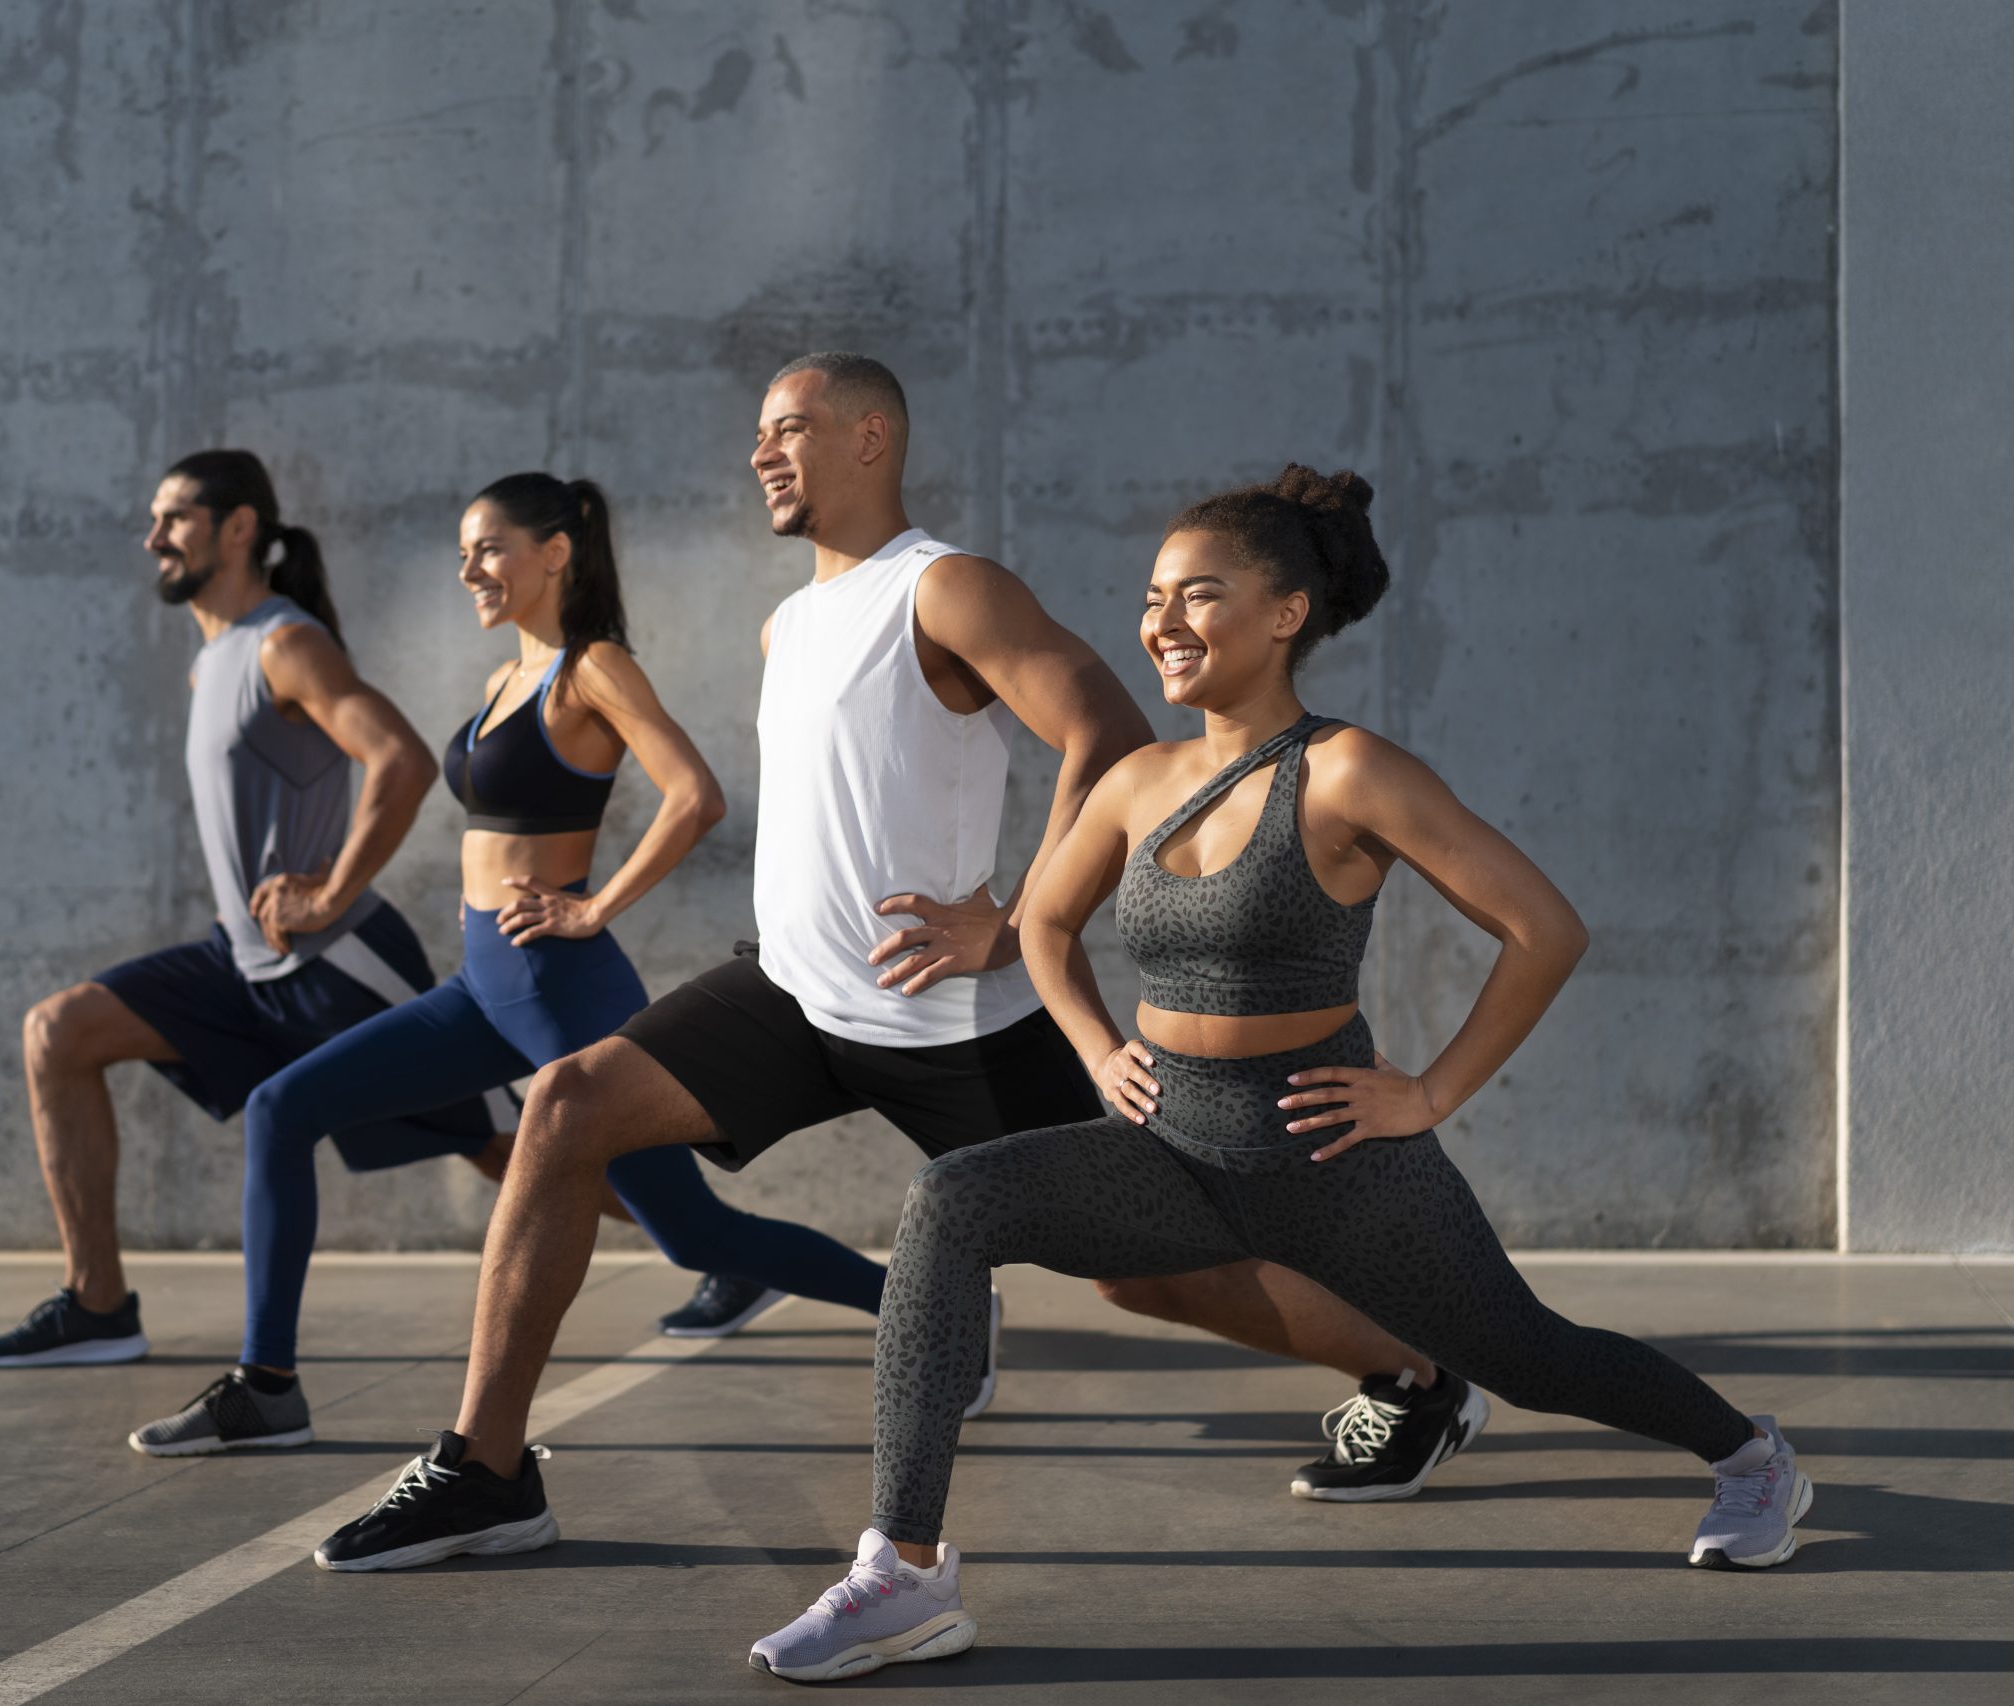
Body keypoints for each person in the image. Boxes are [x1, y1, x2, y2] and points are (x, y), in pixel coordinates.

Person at [310, 355, 1476, 1572]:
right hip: (794, 994)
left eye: (792, 428)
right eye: (759, 431)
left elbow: (1106, 726)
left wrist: (1015, 911)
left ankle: (1417, 1370)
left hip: (954, 1020)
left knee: (1153, 1278)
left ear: (871, 437)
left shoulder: (946, 589)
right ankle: (486, 1469)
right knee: (564, 1105)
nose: (763, 450)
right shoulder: (790, 619)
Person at [748, 464, 1812, 1682]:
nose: (1161, 622)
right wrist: (1099, 1051)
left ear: (1284, 613)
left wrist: (1426, 1093)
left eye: (1199, 595)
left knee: (1529, 1355)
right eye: (1153, 596)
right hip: (1171, 1148)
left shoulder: (1349, 771)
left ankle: (1749, 1455)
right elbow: (1042, 924)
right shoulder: (1135, 779)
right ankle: (904, 1569)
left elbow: (1544, 928)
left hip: (1333, 1157)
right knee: (953, 1201)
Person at [126, 472, 893, 1457]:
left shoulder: (592, 668)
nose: (469, 569)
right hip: (483, 986)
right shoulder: (504, 680)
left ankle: (930, 1301)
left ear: (554, 552)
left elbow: (694, 794)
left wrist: (596, 904)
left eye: (487, 548)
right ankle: (267, 1383)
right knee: (282, 1107)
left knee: (695, 1232)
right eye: (460, 554)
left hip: (561, 987)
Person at [0, 450, 507, 1369]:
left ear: (240, 527)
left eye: (175, 518)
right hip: (240, 963)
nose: (155, 538)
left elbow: (402, 761)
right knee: (58, 1033)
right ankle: (98, 1305)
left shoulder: (282, 643)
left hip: (333, 963)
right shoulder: (211, 659)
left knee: (501, 1141)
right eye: (157, 519)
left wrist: (330, 891)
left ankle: (710, 1242)